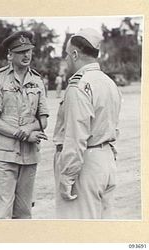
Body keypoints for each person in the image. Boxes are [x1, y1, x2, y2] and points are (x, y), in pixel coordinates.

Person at [53, 28, 122, 219]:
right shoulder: (109, 82)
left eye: (67, 55)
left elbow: (75, 137)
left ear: (75, 54)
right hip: (106, 159)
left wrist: (67, 176)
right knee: (103, 230)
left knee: (79, 233)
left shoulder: (78, 85)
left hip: (86, 164)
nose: (66, 60)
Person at [0, 31, 49, 219]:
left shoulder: (37, 80)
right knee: (3, 212)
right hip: (2, 154)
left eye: (29, 51)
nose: (26, 55)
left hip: (29, 155)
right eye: (21, 52)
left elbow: (43, 120)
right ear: (10, 55)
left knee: (24, 213)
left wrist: (29, 129)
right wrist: (24, 134)